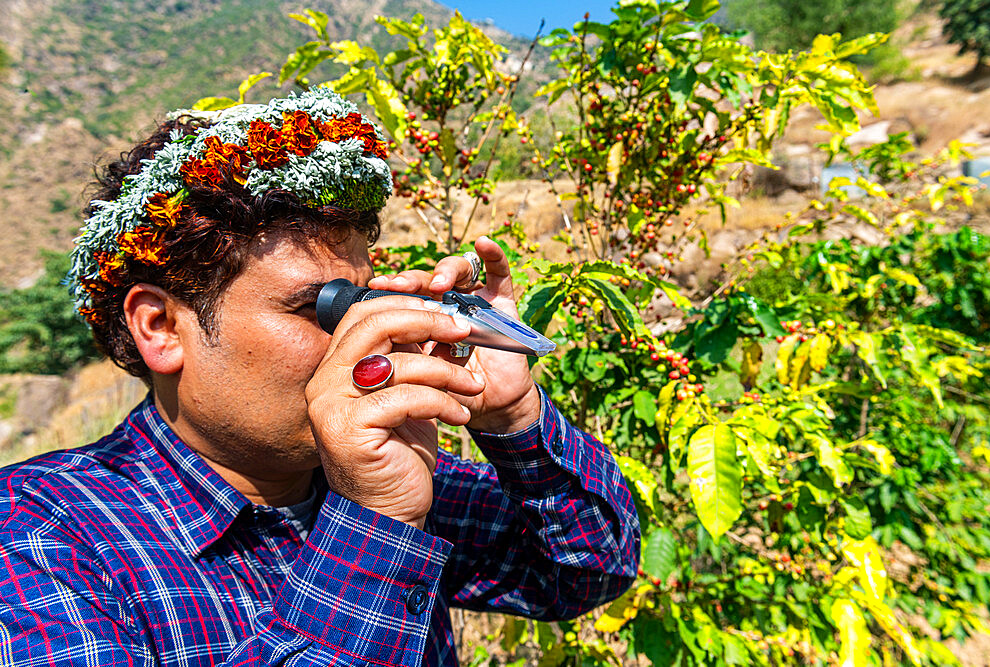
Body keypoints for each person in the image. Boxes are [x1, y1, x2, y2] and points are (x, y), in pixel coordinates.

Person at [0, 88, 639, 666]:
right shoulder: (40, 536)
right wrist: (376, 527)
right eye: (317, 308)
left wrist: (512, 414)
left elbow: (588, 570)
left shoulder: (365, 477)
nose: (358, 333)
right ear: (162, 326)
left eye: (360, 300)